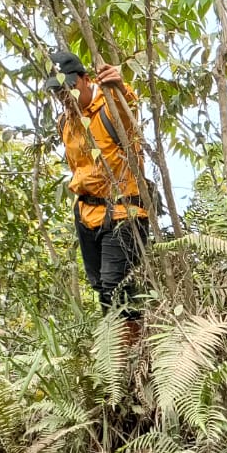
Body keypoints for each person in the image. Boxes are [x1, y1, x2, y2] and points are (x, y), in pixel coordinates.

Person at [43, 49, 151, 323]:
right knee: (101, 288)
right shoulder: (66, 122)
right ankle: (117, 353)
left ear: (84, 79)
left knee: (116, 287)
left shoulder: (111, 109)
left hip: (124, 213)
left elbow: (128, 106)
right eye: (58, 92)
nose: (65, 96)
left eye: (70, 87)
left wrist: (118, 85)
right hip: (87, 213)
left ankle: (133, 351)